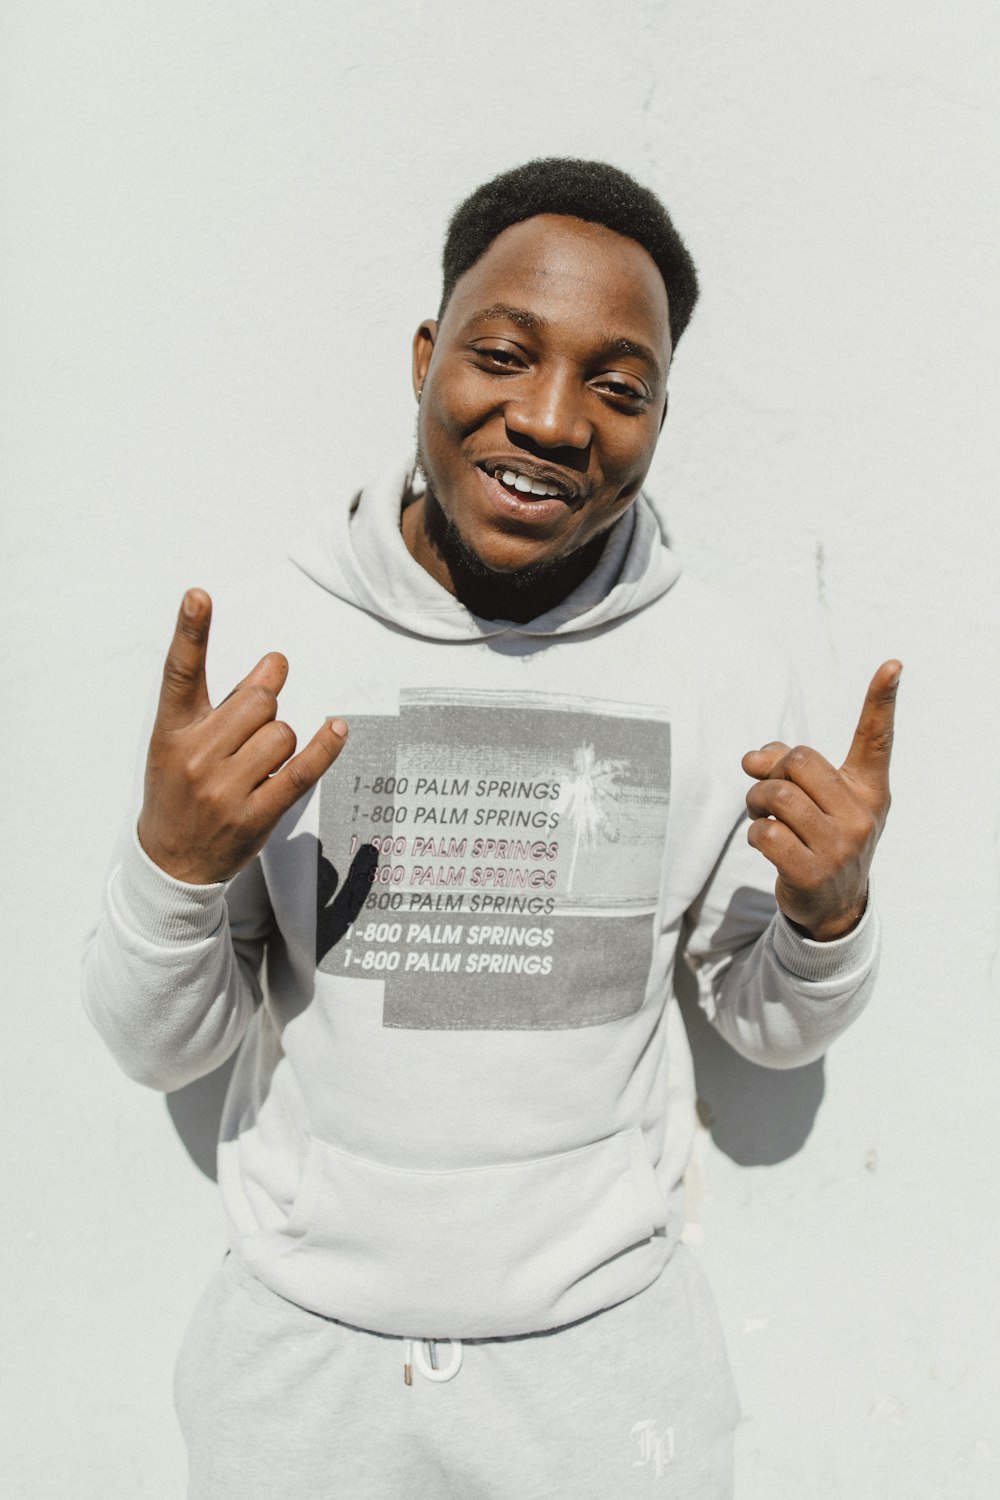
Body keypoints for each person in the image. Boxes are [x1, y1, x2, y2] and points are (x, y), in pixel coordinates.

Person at [83, 158, 899, 1499]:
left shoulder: (721, 668)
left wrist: (826, 922)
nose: (552, 419)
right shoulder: (268, 650)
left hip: (607, 1378)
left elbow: (765, 1022)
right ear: (425, 359)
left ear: (660, 417)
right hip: (302, 1372)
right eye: (505, 356)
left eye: (618, 388)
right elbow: (152, 1041)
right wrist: (171, 867)